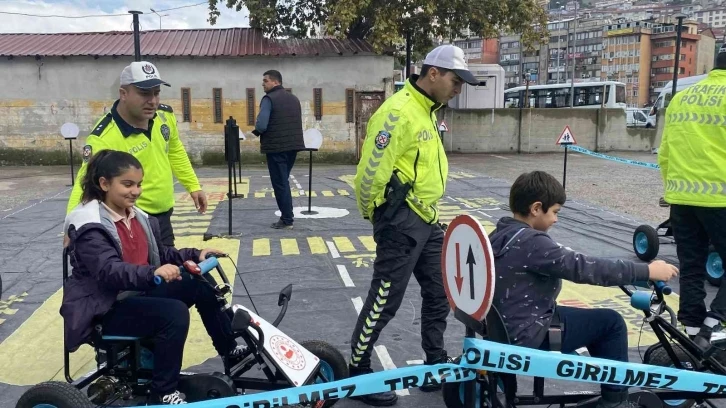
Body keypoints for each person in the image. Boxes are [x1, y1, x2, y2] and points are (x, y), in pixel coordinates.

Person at [349, 44, 479, 406]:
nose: (459, 89)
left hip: (427, 217)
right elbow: (370, 172)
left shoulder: (428, 111)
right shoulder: (398, 113)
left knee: (439, 292)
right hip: (401, 220)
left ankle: (434, 361)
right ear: (433, 73)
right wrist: (377, 215)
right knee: (385, 299)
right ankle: (357, 370)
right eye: (456, 81)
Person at [61, 150, 244, 405]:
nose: (135, 191)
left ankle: (230, 350)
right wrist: (153, 272)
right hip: (104, 309)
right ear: (104, 184)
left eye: (138, 184)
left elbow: (160, 253)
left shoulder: (137, 216)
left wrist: (196, 254)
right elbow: (109, 271)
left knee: (197, 282)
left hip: (137, 293)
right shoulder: (90, 225)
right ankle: (163, 392)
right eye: (127, 184)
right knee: (173, 313)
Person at [490, 171, 679, 408]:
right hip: (528, 333)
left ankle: (605, 384)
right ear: (536, 208)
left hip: (506, 325)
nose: (556, 220)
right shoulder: (533, 242)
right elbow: (584, 268)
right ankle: (615, 401)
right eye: (555, 212)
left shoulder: (499, 234)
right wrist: (647, 271)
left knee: (587, 320)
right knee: (610, 322)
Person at [66, 61, 207, 247]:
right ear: (123, 94)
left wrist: (193, 186)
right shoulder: (104, 137)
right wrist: (72, 225)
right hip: (131, 220)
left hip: (164, 214)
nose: (153, 101)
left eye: (156, 93)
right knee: (140, 274)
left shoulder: (165, 116)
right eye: (144, 93)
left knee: (169, 271)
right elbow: (85, 181)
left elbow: (175, 151)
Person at [658, 45, 726, 349]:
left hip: (682, 199)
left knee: (693, 266)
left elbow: (665, 151)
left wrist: (674, 190)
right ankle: (714, 324)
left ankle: (691, 328)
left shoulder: (682, 98)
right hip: (721, 200)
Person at [248, 70, 306, 230]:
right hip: (293, 146)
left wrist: (257, 132)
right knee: (284, 181)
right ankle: (287, 216)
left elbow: (261, 124)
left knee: (280, 183)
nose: (263, 84)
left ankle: (287, 219)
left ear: (275, 82)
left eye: (265, 81)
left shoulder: (268, 99)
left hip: (276, 147)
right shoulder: (294, 99)